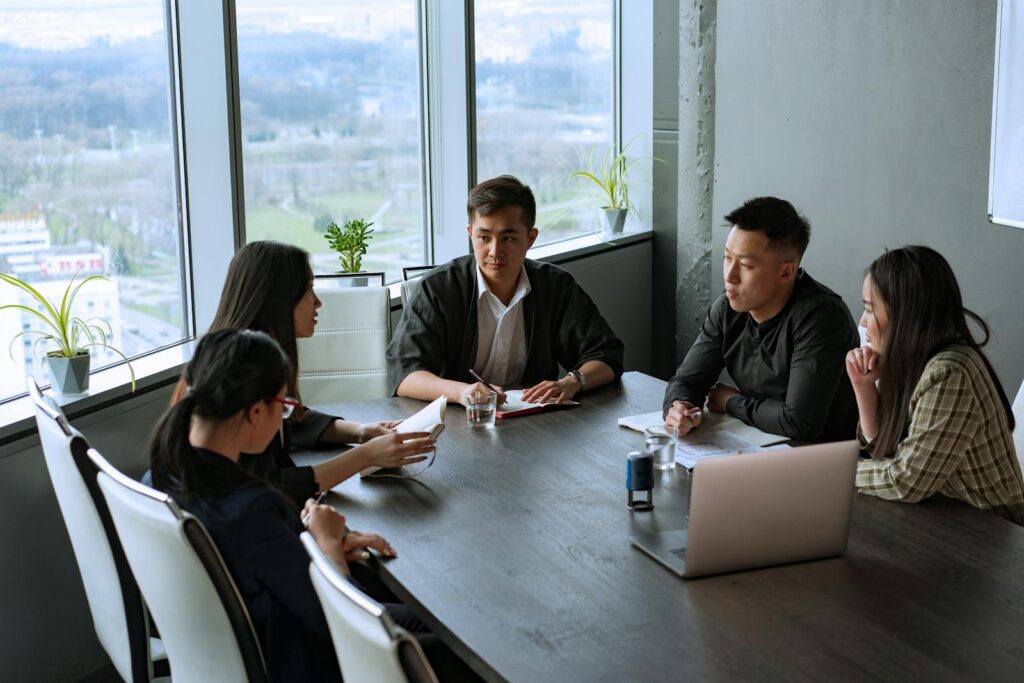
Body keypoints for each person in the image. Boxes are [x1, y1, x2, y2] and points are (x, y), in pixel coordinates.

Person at [149, 329, 471, 681]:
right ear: (256, 411)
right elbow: (344, 623)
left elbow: (262, 566)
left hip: (257, 642)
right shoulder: (252, 511)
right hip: (306, 659)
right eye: (284, 407)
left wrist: (309, 544)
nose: (285, 419)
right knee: (460, 653)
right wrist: (330, 546)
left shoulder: (159, 480)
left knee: (436, 625)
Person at [171, 241, 434, 506]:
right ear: (278, 299)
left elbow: (290, 418)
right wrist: (364, 456)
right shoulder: (241, 370)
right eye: (309, 289)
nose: (318, 302)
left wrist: (361, 432)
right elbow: (274, 487)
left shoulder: (237, 355)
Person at [387, 174, 625, 406]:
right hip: (458, 423)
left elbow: (606, 354)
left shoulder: (555, 286)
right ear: (470, 234)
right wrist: (462, 392)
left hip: (536, 424)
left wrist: (573, 382)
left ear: (530, 238)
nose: (494, 251)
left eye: (508, 238)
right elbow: (404, 372)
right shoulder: (439, 288)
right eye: (484, 237)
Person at [846, 246, 1024, 524]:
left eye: (869, 309)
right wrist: (864, 388)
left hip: (993, 531)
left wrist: (837, 473)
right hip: (940, 514)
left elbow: (906, 480)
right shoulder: (912, 360)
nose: (863, 321)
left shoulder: (949, 372)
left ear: (904, 313)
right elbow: (885, 454)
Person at [663, 196, 860, 442]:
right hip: (756, 445)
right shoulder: (727, 308)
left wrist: (730, 401)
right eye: (727, 258)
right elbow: (687, 379)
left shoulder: (822, 318)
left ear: (785, 271)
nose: (730, 276)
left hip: (821, 460)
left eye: (745, 265)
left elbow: (798, 422)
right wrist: (678, 407)